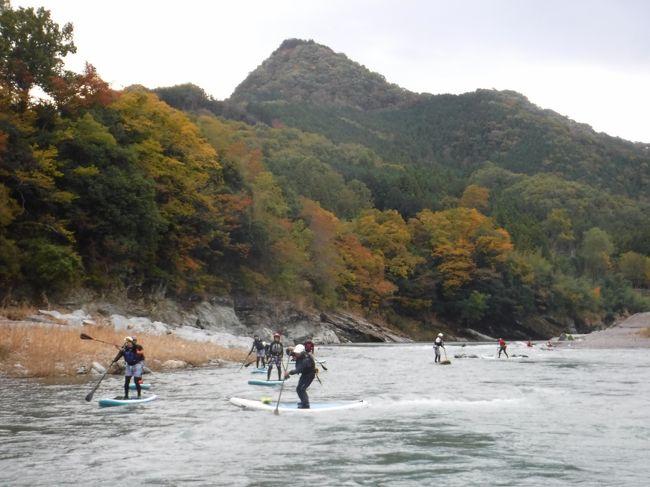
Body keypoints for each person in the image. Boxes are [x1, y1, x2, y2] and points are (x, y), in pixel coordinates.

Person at [284, 344, 316, 409]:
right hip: (304, 374)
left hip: (309, 375)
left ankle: (306, 405)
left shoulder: (306, 360)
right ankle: (303, 402)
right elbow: (289, 353)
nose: (296, 355)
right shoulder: (298, 353)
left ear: (302, 352)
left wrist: (289, 373)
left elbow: (298, 370)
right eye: (296, 353)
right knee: (298, 389)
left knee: (301, 389)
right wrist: (289, 349)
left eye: (297, 353)